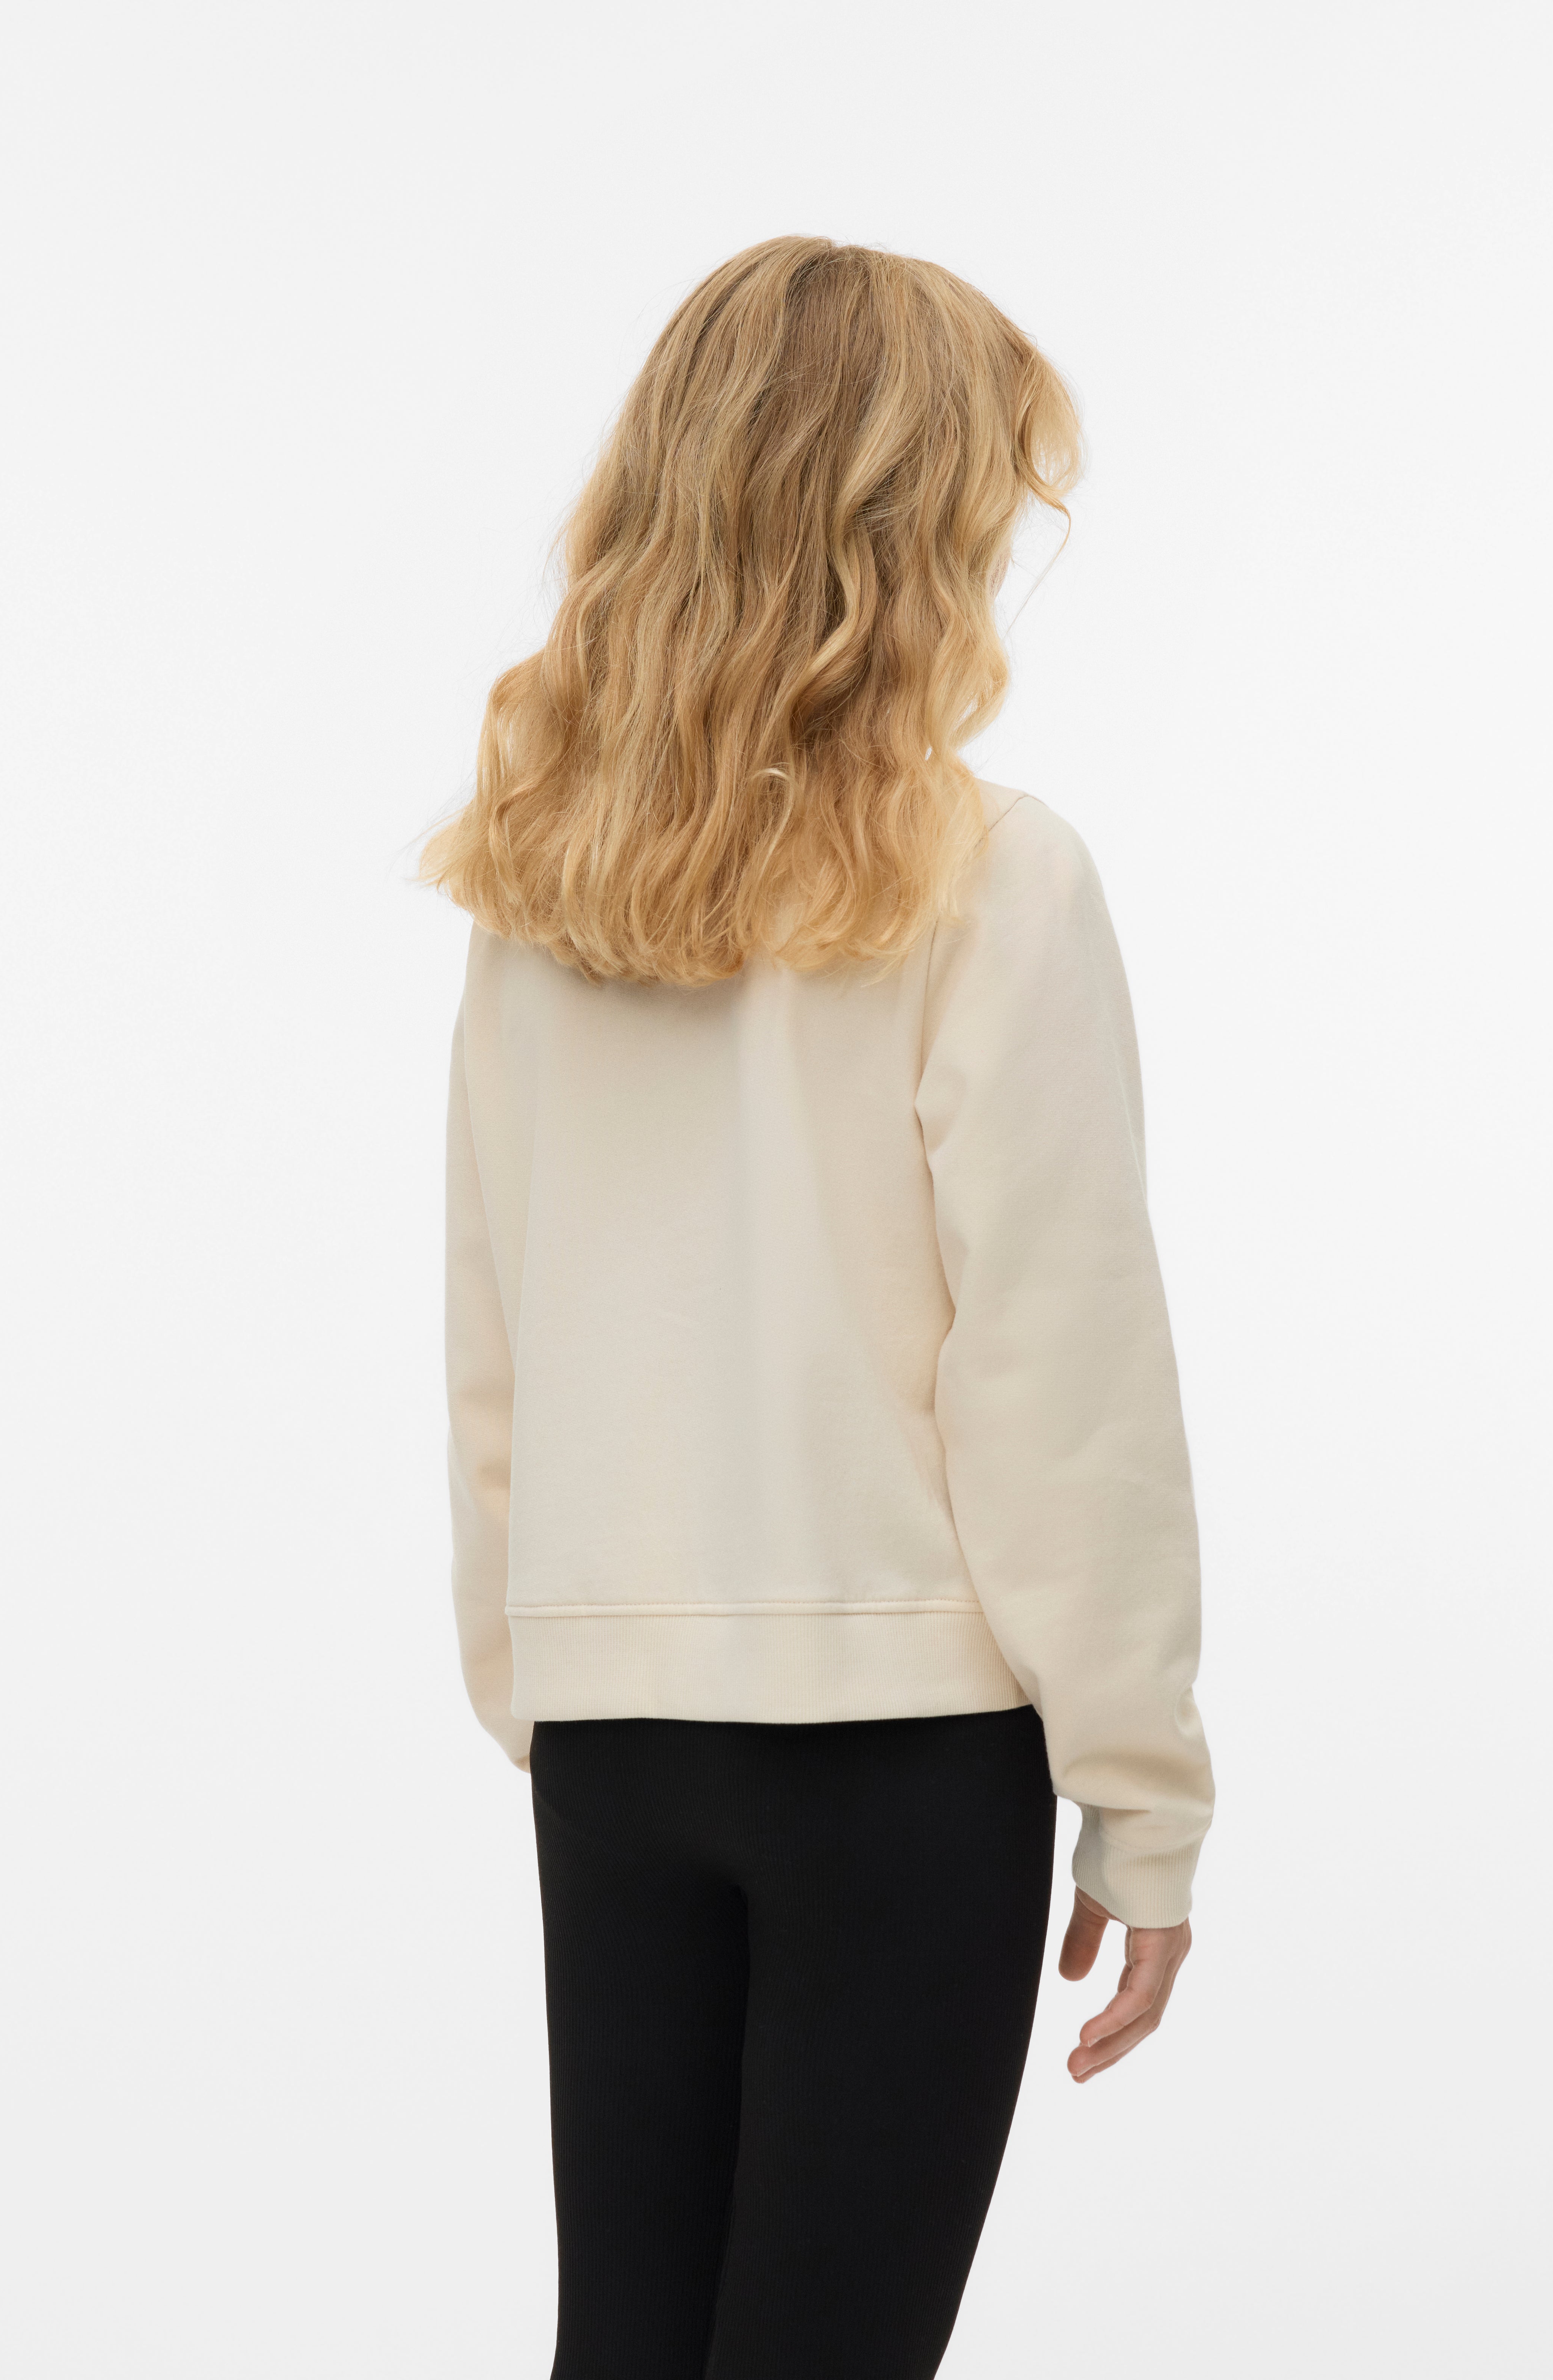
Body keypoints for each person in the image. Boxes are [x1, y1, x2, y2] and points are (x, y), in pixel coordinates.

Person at [423, 235, 1215, 2380]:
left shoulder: (539, 883)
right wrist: (1143, 1793)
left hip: (613, 1732)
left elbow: (494, 1324)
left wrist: (549, 1673)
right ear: (919, 519)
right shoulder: (992, 875)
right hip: (899, 1752)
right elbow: (1056, 1372)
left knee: (632, 2346)